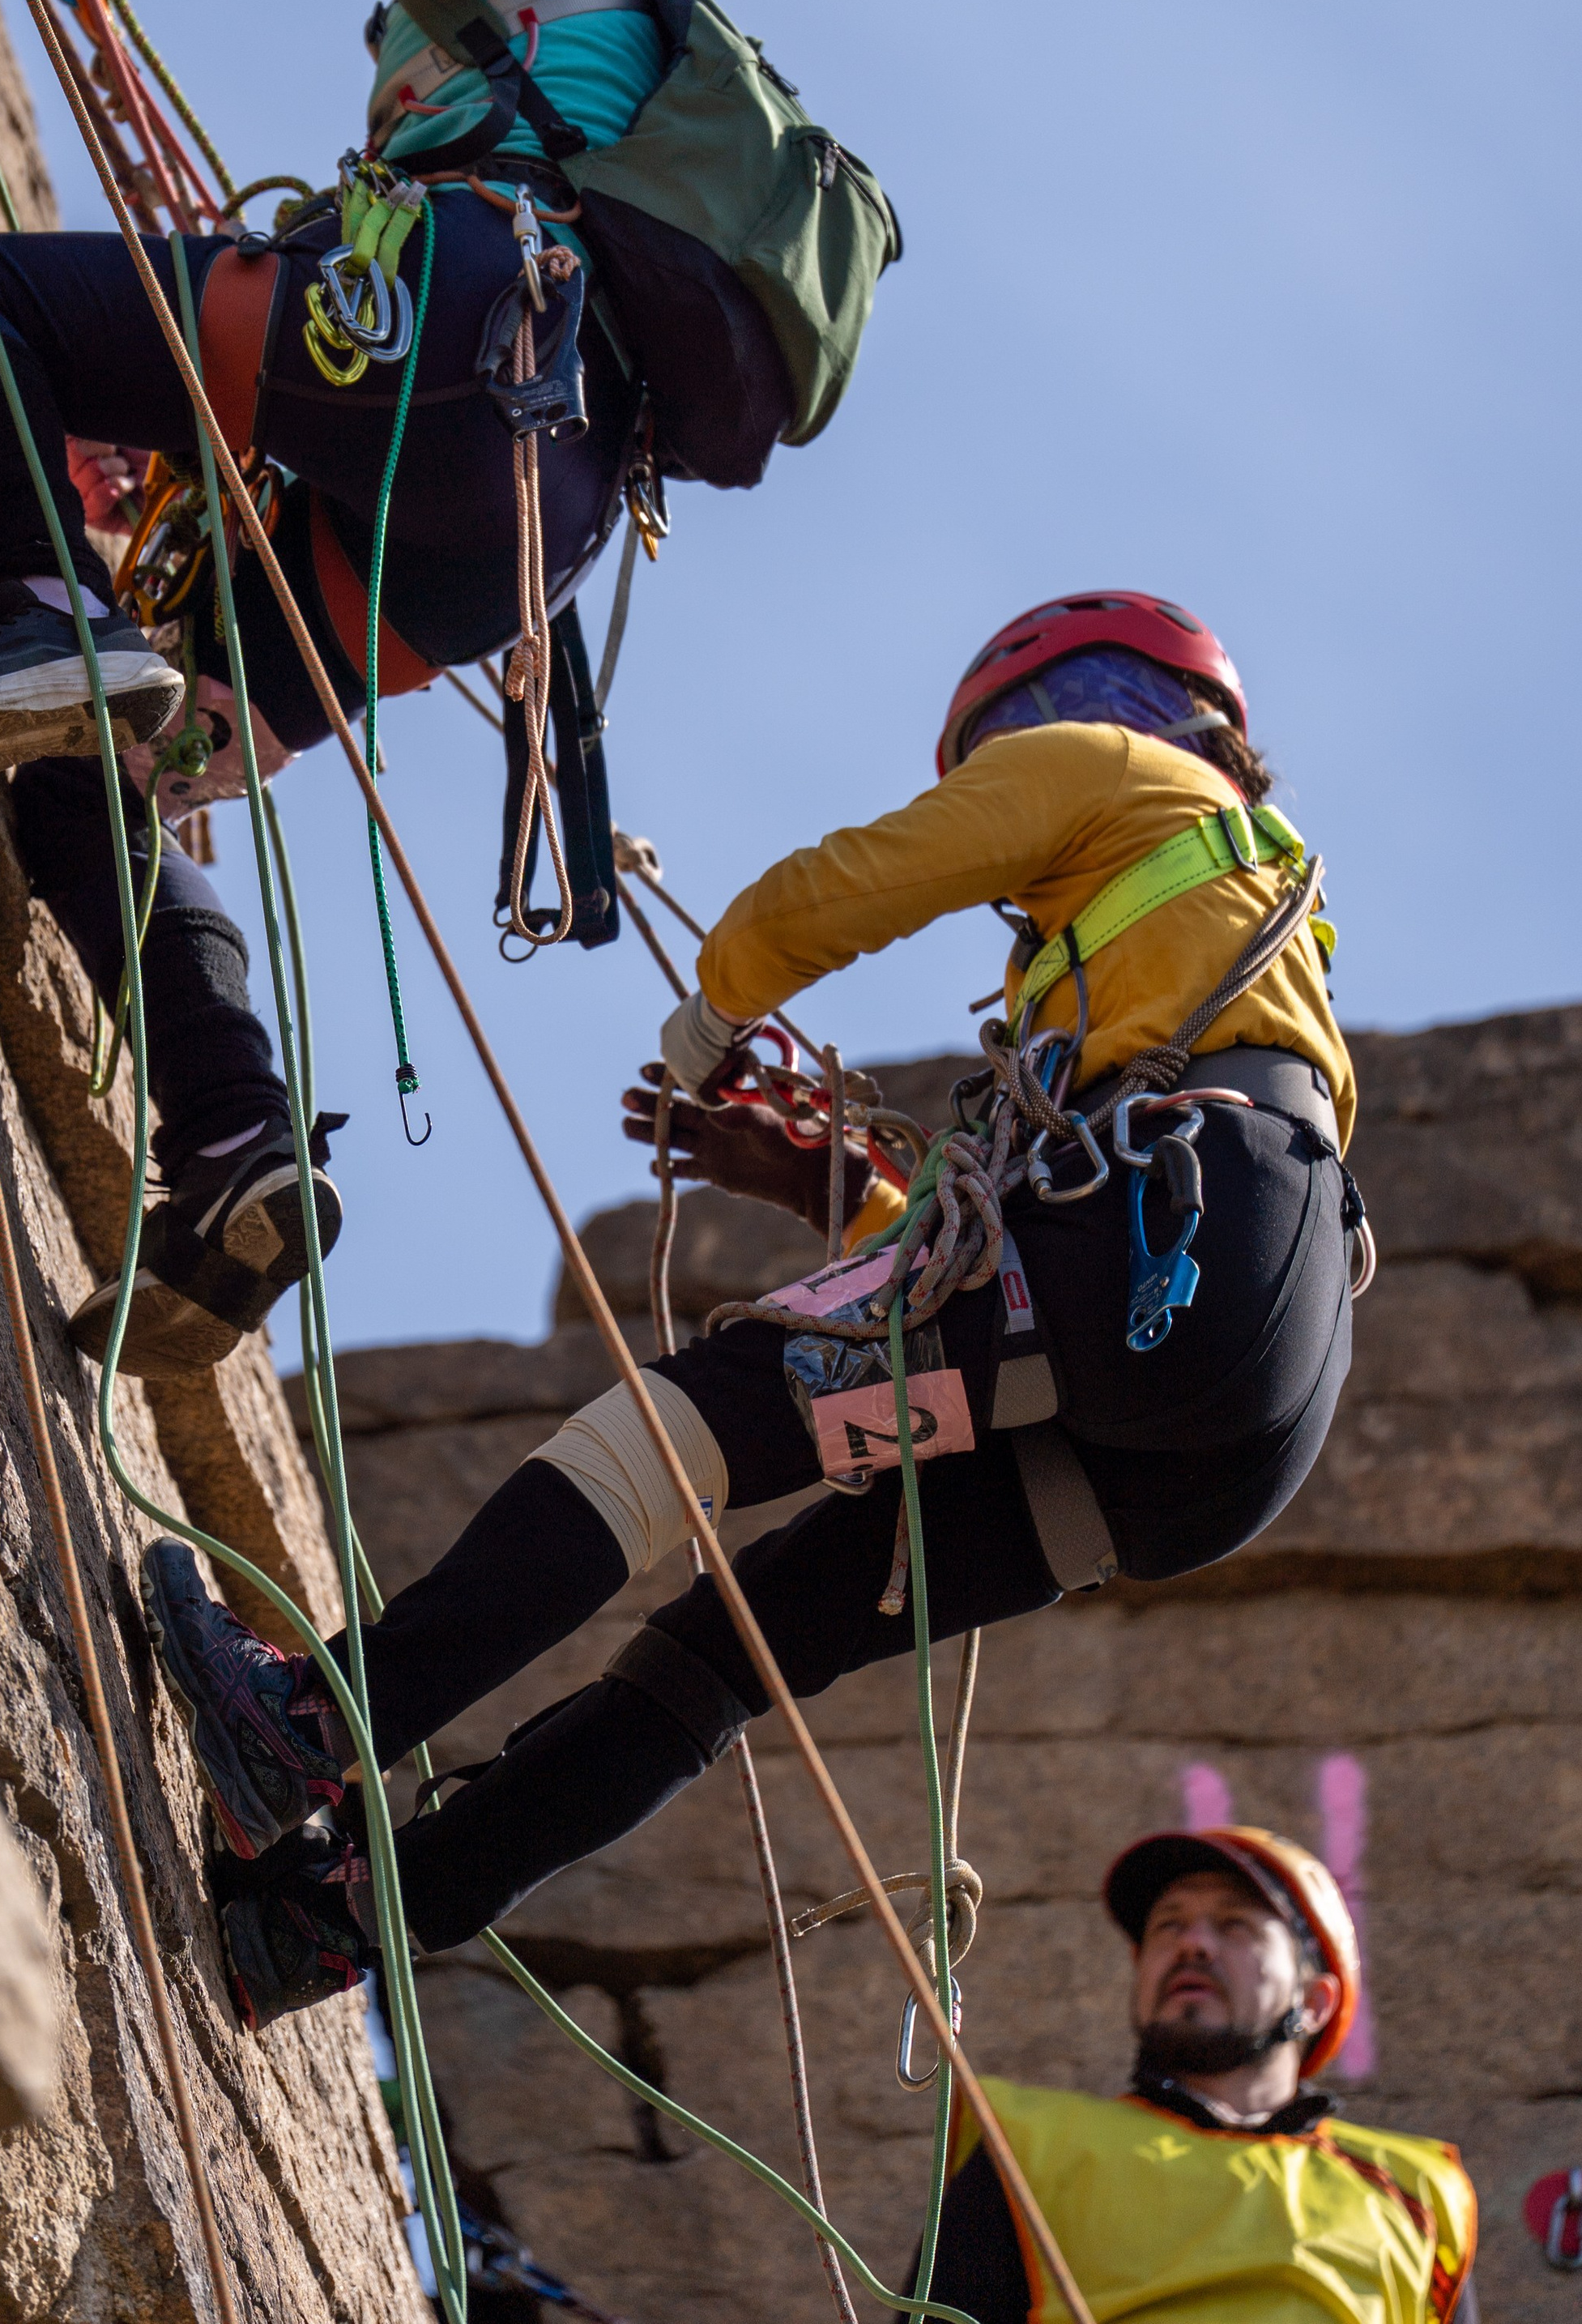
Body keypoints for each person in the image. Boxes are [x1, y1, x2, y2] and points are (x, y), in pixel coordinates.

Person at [137, 591, 1370, 2028]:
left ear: (1141, 713)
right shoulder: (1235, 952)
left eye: (1027, 729)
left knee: (689, 1430)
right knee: (738, 1643)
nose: (1026, 757)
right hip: (1213, 1417)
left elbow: (870, 877)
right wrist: (830, 1180)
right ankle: (328, 1926)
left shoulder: (1139, 786)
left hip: (1165, 1257)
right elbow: (1009, 1324)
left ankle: (305, 1733)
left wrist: (719, 1001)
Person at [0, 0, 893, 1379]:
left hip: (450, 322)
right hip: (525, 530)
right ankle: (234, 1147)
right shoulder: (563, 47)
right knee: (93, 770)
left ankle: (47, 602)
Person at [919, 1824, 1477, 2323]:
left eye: (1235, 1925)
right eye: (1168, 1925)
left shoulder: (1417, 2189)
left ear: (1315, 2001)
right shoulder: (1026, 2145)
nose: (1192, 1943)